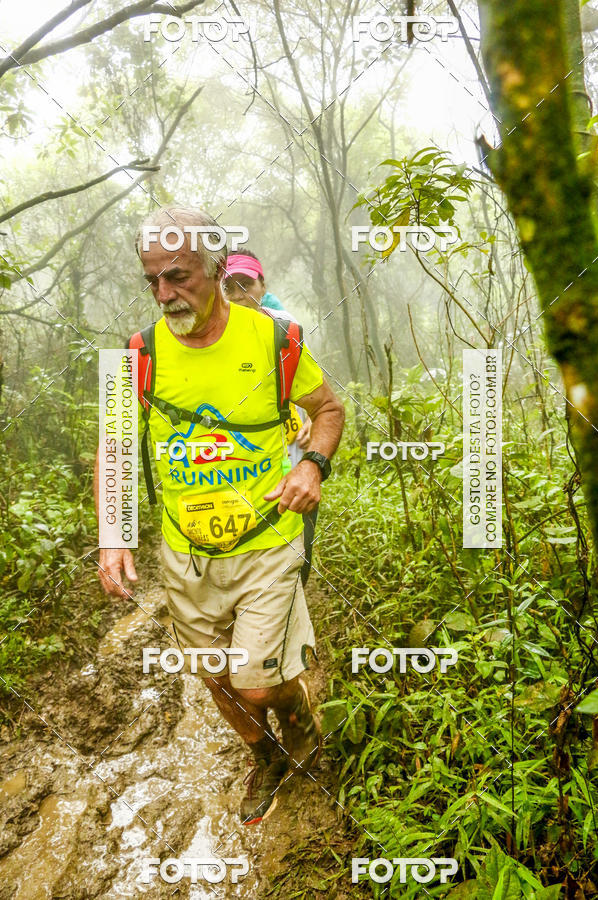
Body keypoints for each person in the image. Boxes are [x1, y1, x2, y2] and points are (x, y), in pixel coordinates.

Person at [94, 207, 345, 827]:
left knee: (255, 682)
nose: (163, 295)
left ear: (216, 267)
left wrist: (312, 466)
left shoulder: (275, 339)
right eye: (152, 280)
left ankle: (297, 718)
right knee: (214, 677)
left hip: (267, 542)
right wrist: (113, 535)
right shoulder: (137, 353)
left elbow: (328, 409)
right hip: (186, 553)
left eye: (177, 277)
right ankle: (266, 756)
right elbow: (115, 442)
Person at [221, 250, 317, 587]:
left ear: (262, 285)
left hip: (292, 454)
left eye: (245, 285)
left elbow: (315, 392)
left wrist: (311, 420)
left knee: (299, 544)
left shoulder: (285, 328)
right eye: (228, 287)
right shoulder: (209, 335)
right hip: (239, 463)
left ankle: (293, 600)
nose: (237, 295)